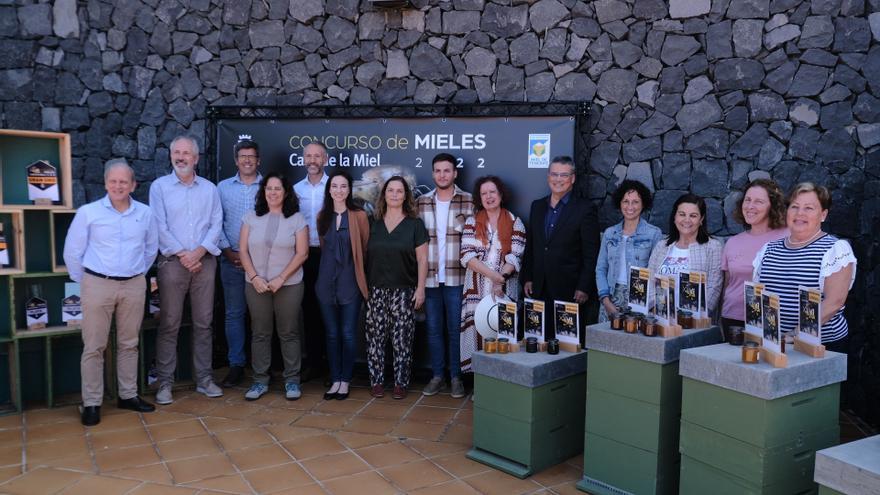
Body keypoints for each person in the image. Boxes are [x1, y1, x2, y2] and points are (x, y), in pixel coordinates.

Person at [63, 159, 158, 426]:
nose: (118, 186)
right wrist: (86, 281)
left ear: (133, 185)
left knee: (129, 343)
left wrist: (136, 273)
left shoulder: (145, 214)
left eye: (123, 182)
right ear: (106, 183)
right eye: (113, 181)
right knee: (94, 346)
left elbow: (151, 249)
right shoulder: (88, 213)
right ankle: (92, 402)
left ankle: (127, 395)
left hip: (133, 284)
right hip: (97, 284)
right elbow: (72, 251)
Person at [149, 135, 224, 405]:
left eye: (186, 153)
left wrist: (199, 252)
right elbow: (159, 226)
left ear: (196, 158)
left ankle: (204, 379)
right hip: (173, 264)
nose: (180, 157)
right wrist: (184, 254)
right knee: (169, 324)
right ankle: (165, 384)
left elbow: (217, 223)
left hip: (204, 263)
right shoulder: (159, 188)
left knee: (204, 323)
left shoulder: (209, 189)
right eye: (176, 152)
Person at [753, 183, 856, 353]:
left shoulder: (835, 250)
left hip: (821, 346)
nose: (800, 213)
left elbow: (834, 302)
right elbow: (757, 296)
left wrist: (794, 336)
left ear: (823, 214)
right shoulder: (768, 249)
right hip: (774, 342)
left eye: (809, 208)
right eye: (795, 207)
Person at [238, 173, 309, 400]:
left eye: (278, 188)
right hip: (256, 284)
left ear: (286, 192)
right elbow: (242, 251)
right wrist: (255, 277)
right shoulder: (250, 217)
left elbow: (302, 253)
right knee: (260, 333)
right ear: (263, 191)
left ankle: (292, 381)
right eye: (269, 188)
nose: (273, 192)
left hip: (288, 285)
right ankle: (259, 381)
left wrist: (281, 278)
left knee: (288, 332)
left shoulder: (297, 219)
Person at [522, 156, 599, 342]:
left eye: (563, 175)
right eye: (554, 174)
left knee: (566, 345)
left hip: (570, 290)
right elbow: (532, 245)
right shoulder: (537, 206)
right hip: (538, 288)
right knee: (538, 341)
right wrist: (528, 277)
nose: (558, 179)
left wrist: (584, 286)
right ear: (548, 176)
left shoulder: (585, 208)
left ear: (572, 178)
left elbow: (591, 253)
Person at [417, 153, 474, 398]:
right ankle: (437, 376)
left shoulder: (469, 201)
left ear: (455, 173)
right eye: (438, 171)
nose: (442, 175)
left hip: (456, 278)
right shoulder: (420, 203)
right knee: (432, 329)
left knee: (454, 329)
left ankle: (456, 378)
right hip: (428, 278)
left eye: (447, 170)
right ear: (432, 174)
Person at [365, 176, 428, 400]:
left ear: (405, 195)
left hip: (404, 290)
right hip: (376, 289)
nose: (394, 194)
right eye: (390, 190)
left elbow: (422, 260)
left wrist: (420, 289)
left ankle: (401, 383)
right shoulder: (373, 222)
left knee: (402, 339)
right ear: (384, 195)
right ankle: (377, 382)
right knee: (376, 338)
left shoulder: (415, 224)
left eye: (399, 191)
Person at [460, 176, 526, 373]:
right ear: (479, 198)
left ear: (500, 194)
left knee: (502, 332)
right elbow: (467, 256)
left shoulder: (515, 221)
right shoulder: (472, 222)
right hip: (476, 289)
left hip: (505, 290)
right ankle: (479, 383)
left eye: (492, 192)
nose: (488, 197)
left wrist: (501, 279)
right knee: (478, 332)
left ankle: (500, 381)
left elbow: (515, 256)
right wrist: (494, 276)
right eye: (484, 193)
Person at [315, 170, 369, 401]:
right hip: (326, 282)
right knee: (332, 333)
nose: (339, 190)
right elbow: (323, 247)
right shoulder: (322, 216)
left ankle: (345, 380)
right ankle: (334, 378)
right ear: (329, 190)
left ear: (349, 190)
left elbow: (365, 249)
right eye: (334, 186)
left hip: (350, 282)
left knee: (348, 333)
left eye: (343, 186)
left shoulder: (359, 216)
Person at [216, 139, 262, 387]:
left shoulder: (269, 186)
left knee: (261, 317)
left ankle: (261, 366)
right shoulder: (222, 188)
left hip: (261, 264)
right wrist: (227, 252)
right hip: (231, 260)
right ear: (235, 160)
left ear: (258, 160)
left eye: (251, 156)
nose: (246, 160)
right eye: (242, 156)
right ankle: (236, 365)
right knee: (234, 314)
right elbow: (216, 222)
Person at [720, 179, 787, 331]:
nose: (750, 206)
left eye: (759, 201)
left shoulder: (788, 237)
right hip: (733, 319)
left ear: (773, 206)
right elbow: (727, 284)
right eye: (748, 200)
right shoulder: (732, 242)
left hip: (772, 320)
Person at [595, 180, 663, 322]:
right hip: (611, 297)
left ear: (643, 204)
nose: (630, 206)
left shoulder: (654, 234)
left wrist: (650, 302)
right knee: (605, 341)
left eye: (635, 202)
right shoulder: (610, 233)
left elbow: (657, 272)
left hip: (640, 298)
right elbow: (601, 268)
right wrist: (606, 301)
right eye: (626, 201)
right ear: (619, 204)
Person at [647, 193, 723, 317]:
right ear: (675, 217)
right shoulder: (662, 246)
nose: (686, 220)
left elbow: (714, 287)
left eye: (693, 216)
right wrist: (654, 308)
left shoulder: (712, 247)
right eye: (682, 214)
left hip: (694, 321)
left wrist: (697, 317)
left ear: (701, 219)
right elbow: (650, 280)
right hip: (660, 318)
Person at [293, 141, 330, 382]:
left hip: (330, 256)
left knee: (329, 310)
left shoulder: (335, 187)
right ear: (303, 160)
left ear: (325, 160)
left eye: (317, 156)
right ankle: (313, 363)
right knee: (308, 310)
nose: (313, 160)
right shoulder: (295, 190)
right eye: (309, 156)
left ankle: (331, 366)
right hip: (304, 256)